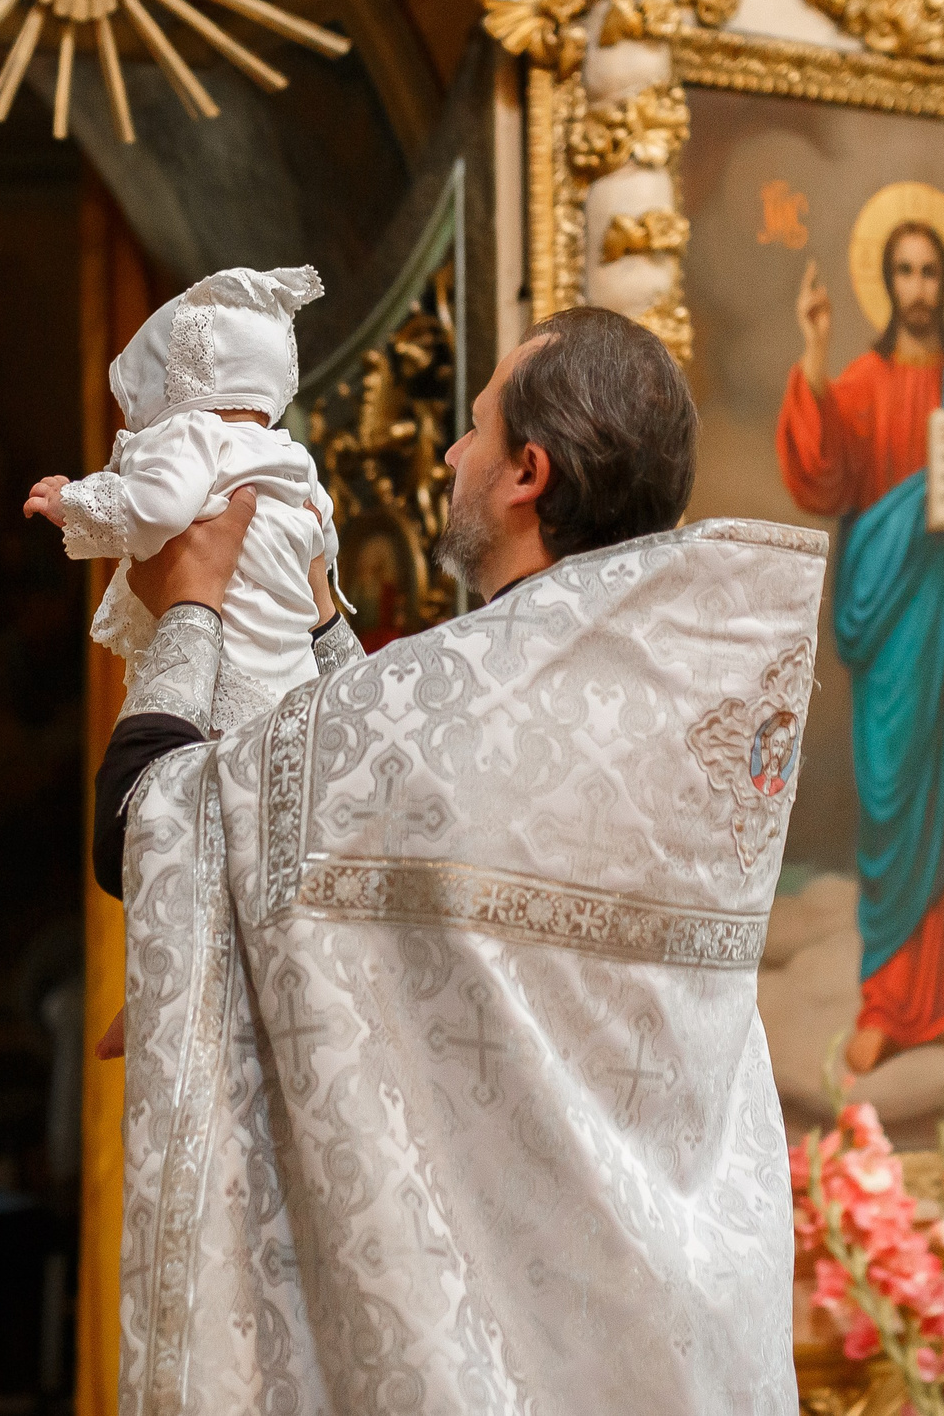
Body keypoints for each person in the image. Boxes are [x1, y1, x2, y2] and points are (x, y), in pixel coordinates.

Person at [99, 307, 824, 1414]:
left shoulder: (444, 721)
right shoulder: (677, 706)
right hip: (676, 1339)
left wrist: (188, 605)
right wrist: (327, 628)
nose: (447, 453)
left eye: (473, 428)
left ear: (526, 471)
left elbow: (145, 823)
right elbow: (424, 869)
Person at [777, 221, 944, 1077]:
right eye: (904, 272)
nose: (918, 287)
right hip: (888, 620)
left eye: (930, 272)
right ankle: (886, 997)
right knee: (894, 798)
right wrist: (813, 349)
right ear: (888, 281)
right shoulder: (864, 379)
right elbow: (825, 474)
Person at [24, 264, 339, 735]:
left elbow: (160, 506)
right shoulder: (290, 454)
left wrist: (74, 501)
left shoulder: (195, 432)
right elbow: (324, 536)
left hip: (219, 672)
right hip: (296, 679)